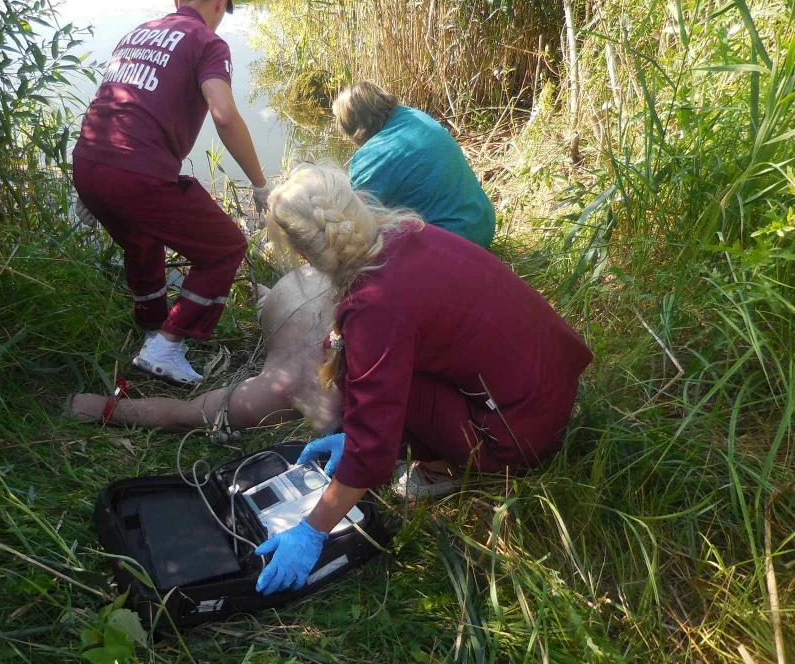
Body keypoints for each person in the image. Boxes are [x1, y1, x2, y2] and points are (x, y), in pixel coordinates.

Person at [252, 164, 592, 595]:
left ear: (305, 255)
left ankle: (442, 470)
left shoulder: (374, 306)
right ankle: (439, 449)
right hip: (547, 386)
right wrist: (353, 430)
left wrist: (312, 530)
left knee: (372, 381)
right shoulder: (406, 234)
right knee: (364, 366)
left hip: (519, 432)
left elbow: (373, 445)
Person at [72, 0, 271, 387]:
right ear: (221, 2)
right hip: (135, 171)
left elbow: (110, 102)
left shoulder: (137, 33)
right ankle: (166, 346)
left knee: (141, 240)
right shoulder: (207, 42)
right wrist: (260, 184)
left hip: (87, 161)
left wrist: (91, 188)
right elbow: (224, 114)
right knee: (224, 248)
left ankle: (151, 327)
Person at [65, 265, 341, 434]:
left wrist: (107, 409)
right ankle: (263, 298)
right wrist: (106, 408)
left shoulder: (280, 393)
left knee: (274, 310)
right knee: (275, 312)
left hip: (303, 287)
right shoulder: (281, 392)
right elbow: (185, 415)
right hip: (299, 292)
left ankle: (264, 298)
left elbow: (186, 414)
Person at [333, 81, 496, 248]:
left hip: (455, 242)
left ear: (355, 130)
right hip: (483, 224)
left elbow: (357, 226)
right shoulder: (414, 116)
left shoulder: (371, 157)